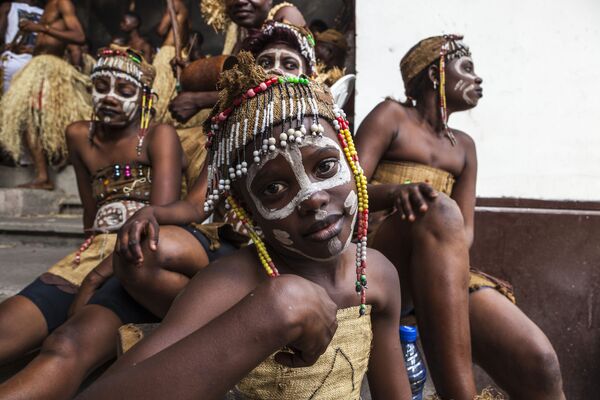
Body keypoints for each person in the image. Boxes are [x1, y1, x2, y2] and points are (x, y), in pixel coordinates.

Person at [77, 52, 412, 400]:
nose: (312, 197)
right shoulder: (229, 285)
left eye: (325, 166)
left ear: (352, 161)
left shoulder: (378, 274)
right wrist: (274, 310)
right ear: (247, 211)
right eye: (273, 189)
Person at [355, 35, 565, 399]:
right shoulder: (391, 116)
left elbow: (464, 234)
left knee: (539, 362)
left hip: (439, 263)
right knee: (436, 210)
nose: (477, 78)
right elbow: (347, 193)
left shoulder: (465, 146)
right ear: (436, 73)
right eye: (466, 68)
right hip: (378, 257)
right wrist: (396, 192)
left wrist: (437, 222)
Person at [0, 46, 185, 399]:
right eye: (101, 86)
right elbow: (90, 213)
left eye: (125, 90)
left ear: (144, 97)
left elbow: (157, 221)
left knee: (66, 342)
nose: (111, 96)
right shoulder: (79, 136)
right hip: (86, 257)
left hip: (135, 258)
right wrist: (79, 267)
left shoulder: (158, 136)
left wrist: (97, 278)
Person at [113, 23, 318, 320]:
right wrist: (151, 214)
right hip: (237, 252)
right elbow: (197, 205)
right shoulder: (234, 134)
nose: (275, 71)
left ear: (307, 77)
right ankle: (214, 333)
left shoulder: (321, 132)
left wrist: (396, 193)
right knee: (142, 254)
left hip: (297, 255)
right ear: (251, 75)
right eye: (265, 63)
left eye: (288, 64)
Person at [166, 0, 307, 125]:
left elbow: (279, 88)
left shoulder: (286, 15)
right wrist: (193, 71)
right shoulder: (242, 34)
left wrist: (199, 100)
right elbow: (237, 83)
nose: (239, 1)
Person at [0, 0, 88, 190]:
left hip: (50, 69)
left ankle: (55, 165)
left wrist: (40, 27)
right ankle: (42, 175)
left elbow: (79, 36)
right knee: (28, 120)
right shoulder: (49, 6)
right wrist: (30, 49)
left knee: (47, 119)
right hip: (38, 64)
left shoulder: (62, 3)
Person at [0, 0, 43, 94]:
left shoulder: (8, 6)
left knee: (6, 101)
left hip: (12, 60)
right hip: (37, 63)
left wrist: (5, 46)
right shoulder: (47, 12)